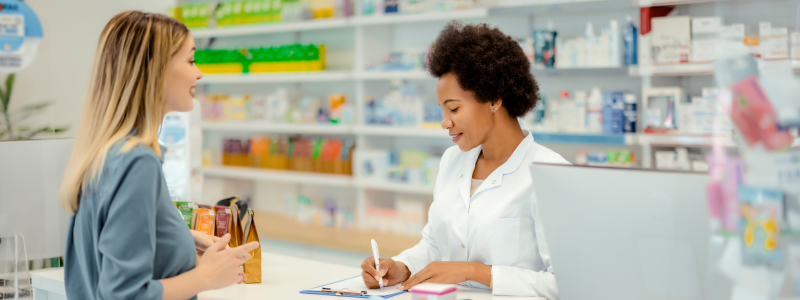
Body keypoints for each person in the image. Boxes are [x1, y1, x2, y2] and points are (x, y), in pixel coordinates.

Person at [359, 21, 569, 299]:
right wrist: (401, 266)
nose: (445, 123)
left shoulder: (550, 173)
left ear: (494, 99)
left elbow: (565, 282)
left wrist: (476, 271)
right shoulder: (452, 161)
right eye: (442, 110)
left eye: (454, 108)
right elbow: (435, 243)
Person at [58, 11, 259, 300]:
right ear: (155, 69)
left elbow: (109, 244)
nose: (199, 73)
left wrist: (178, 235)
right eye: (190, 60)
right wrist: (207, 276)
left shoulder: (105, 152)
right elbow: (123, 294)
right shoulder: (137, 162)